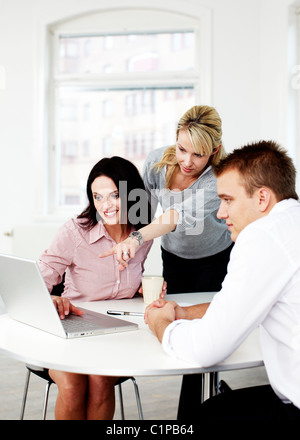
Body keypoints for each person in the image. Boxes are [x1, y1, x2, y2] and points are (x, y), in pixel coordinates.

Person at [145, 140, 300, 420]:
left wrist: (161, 323)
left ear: (262, 198)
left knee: (203, 416)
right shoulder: (291, 223)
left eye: (228, 200)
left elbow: (207, 350)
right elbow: (240, 302)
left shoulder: (262, 236)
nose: (220, 213)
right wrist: (182, 312)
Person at [99, 105, 233, 417]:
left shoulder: (219, 177)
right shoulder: (157, 163)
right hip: (174, 256)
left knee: (202, 332)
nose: (187, 161)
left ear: (213, 151)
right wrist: (127, 250)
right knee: (169, 319)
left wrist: (135, 239)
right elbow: (140, 211)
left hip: (213, 259)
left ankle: (193, 411)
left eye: (198, 154)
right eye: (182, 148)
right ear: (175, 139)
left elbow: (173, 217)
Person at [39, 156, 163, 420]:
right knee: (73, 387)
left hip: (118, 334)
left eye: (115, 195)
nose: (105, 206)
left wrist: (143, 288)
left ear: (132, 194)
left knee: (100, 381)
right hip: (71, 330)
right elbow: (38, 281)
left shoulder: (141, 235)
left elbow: (128, 281)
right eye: (98, 197)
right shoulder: (75, 232)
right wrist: (49, 297)